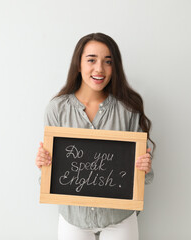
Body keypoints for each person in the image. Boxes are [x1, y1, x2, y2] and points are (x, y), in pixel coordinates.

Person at [35, 32, 154, 240]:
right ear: (78, 64)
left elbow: (140, 175)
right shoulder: (57, 109)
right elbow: (51, 175)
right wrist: (45, 164)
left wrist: (145, 167)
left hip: (119, 218)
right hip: (74, 218)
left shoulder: (128, 109)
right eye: (91, 60)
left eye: (108, 62)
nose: (99, 69)